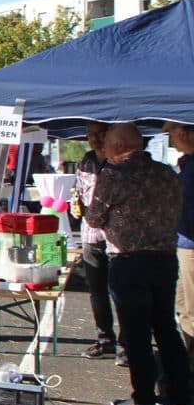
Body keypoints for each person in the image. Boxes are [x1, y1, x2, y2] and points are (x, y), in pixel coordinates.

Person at [85, 122, 190, 405]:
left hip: (129, 260)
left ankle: (143, 399)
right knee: (166, 328)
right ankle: (180, 396)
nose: (104, 149)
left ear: (119, 146)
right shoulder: (166, 173)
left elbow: (93, 217)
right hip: (164, 258)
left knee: (136, 331)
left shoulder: (113, 174)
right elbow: (177, 210)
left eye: (107, 143)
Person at [74, 122, 123, 362]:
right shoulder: (85, 161)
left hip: (118, 238)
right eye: (90, 134)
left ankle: (127, 344)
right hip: (91, 235)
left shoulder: (121, 162)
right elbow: (80, 193)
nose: (93, 138)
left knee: (121, 292)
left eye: (99, 133)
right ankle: (105, 340)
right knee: (96, 292)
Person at [166, 122, 194, 383]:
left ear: (184, 133)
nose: (170, 139)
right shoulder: (187, 165)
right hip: (184, 244)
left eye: (171, 133)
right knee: (183, 309)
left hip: (191, 246)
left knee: (191, 311)